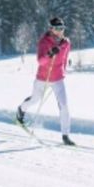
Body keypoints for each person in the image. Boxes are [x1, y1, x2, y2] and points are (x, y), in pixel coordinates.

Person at [16, 17, 76, 146]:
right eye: (57, 28)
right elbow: (40, 61)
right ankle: (21, 110)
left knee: (64, 105)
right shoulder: (44, 42)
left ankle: (65, 135)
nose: (60, 31)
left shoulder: (66, 43)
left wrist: (63, 71)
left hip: (58, 78)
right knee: (35, 100)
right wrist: (50, 54)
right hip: (43, 77)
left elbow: (65, 58)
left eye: (62, 29)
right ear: (51, 29)